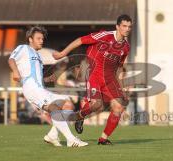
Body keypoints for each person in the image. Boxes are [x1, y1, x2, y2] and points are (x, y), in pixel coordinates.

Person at [53, 14, 132, 145]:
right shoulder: (104, 36)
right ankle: (79, 117)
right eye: (124, 26)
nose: (127, 29)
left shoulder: (126, 47)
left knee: (119, 107)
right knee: (96, 104)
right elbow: (80, 40)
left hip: (110, 78)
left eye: (129, 26)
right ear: (117, 26)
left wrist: (121, 86)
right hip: (94, 74)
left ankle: (103, 139)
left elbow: (119, 67)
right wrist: (62, 54)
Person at [8, 26, 88, 147]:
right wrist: (15, 71)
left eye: (42, 38)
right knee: (54, 108)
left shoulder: (39, 56)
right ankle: (71, 140)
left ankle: (52, 135)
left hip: (41, 89)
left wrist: (47, 79)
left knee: (67, 104)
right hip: (32, 89)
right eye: (38, 38)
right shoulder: (23, 48)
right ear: (30, 39)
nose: (42, 40)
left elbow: (36, 75)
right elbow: (11, 59)